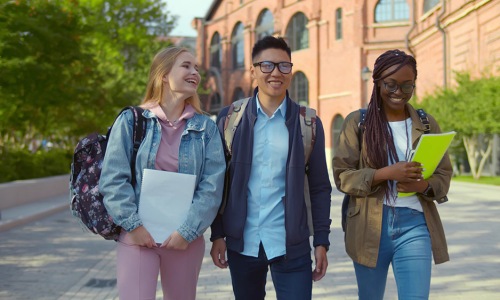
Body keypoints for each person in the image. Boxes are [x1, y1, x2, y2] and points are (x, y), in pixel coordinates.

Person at [209, 36, 332, 300]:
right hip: (243, 245)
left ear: (291, 70)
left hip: (292, 246)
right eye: (266, 65)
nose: (276, 72)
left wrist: (321, 240)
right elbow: (216, 182)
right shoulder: (231, 119)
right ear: (253, 71)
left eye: (283, 66)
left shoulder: (308, 123)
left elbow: (321, 187)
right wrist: (217, 234)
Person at [99, 47, 226, 300]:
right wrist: (133, 227)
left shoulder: (206, 128)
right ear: (164, 74)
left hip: (184, 241)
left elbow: (212, 187)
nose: (195, 73)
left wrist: (187, 232)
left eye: (196, 68)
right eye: (186, 66)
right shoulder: (131, 121)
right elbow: (113, 180)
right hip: (137, 237)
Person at [333, 49, 452, 299]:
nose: (399, 92)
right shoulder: (358, 123)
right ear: (377, 82)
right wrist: (385, 173)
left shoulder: (426, 123)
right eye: (391, 84)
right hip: (369, 225)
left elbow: (443, 175)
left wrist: (422, 185)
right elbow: (342, 176)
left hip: (415, 224)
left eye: (408, 86)